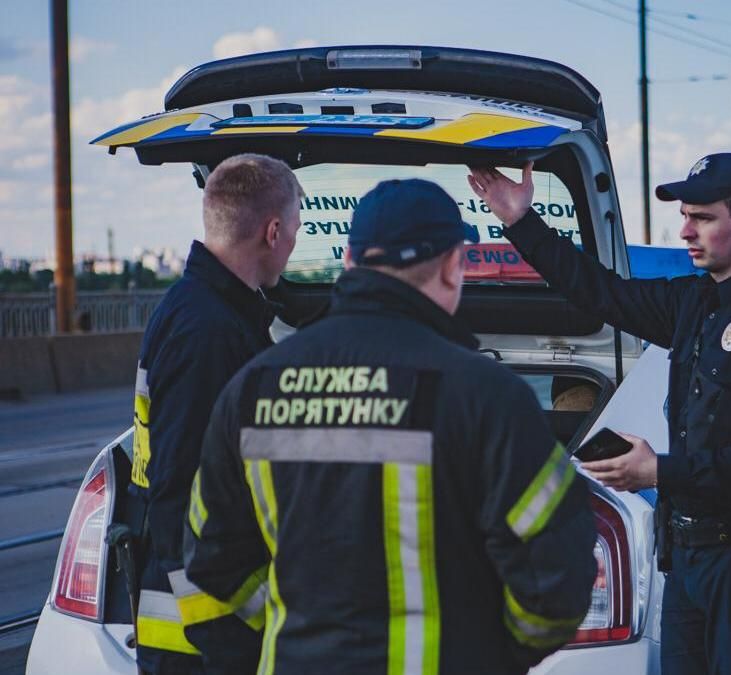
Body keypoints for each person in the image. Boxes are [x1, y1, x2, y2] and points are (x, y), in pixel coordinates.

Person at [183, 179, 597, 674]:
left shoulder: (253, 387)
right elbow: (560, 572)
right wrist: (493, 653)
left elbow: (210, 551)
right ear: (451, 266)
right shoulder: (486, 396)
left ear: (351, 264)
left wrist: (290, 621)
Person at [469, 154, 731, 674]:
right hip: (687, 561)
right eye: (685, 215)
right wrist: (520, 222)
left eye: (702, 217)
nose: (685, 230)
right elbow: (601, 293)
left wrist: (659, 470)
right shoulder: (693, 303)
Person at [130, 153, 302, 674]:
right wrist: (230, 641)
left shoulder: (204, 310)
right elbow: (178, 496)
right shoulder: (208, 334)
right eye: (296, 229)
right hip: (200, 642)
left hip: (198, 628)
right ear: (273, 232)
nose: (294, 245)